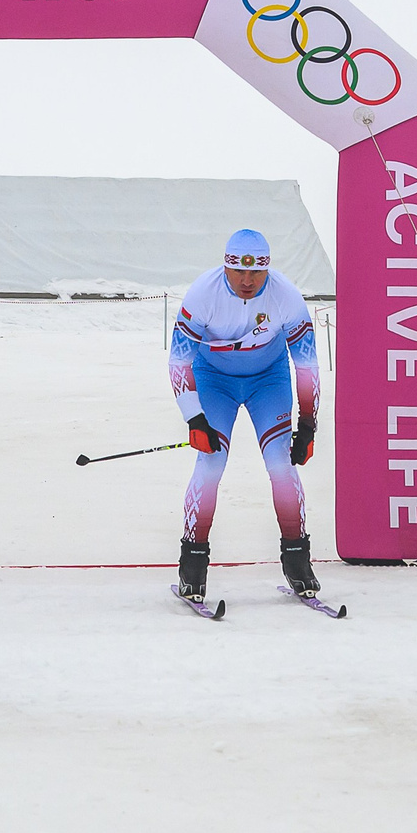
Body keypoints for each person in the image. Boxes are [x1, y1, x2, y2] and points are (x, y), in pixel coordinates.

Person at [168, 228, 323, 603]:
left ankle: (297, 560)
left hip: (267, 381)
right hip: (213, 380)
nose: (248, 281)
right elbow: (178, 360)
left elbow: (307, 364)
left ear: (269, 270)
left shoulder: (286, 295)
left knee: (281, 466)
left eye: (257, 273)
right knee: (211, 465)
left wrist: (307, 425)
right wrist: (195, 419)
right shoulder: (203, 294)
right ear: (226, 266)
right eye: (239, 272)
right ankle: (193, 562)